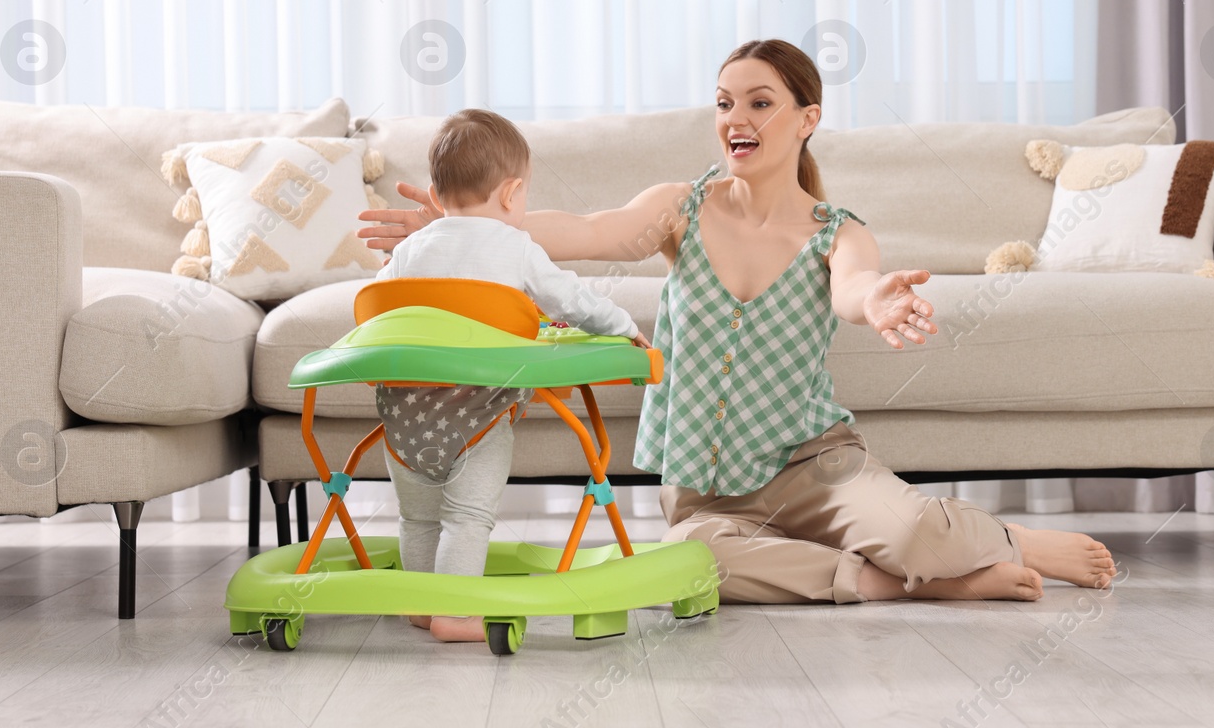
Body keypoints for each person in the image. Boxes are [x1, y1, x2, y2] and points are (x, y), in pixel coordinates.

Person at [361, 43, 1115, 606]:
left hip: (817, 466)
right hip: (706, 495)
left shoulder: (836, 230)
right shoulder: (678, 207)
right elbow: (588, 230)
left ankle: (1014, 542)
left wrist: (878, 298)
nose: (736, 119)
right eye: (724, 103)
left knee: (918, 527)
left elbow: (853, 287)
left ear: (805, 118)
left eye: (758, 102)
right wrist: (468, 224)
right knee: (693, 560)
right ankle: (903, 585)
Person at [373, 108, 647, 641]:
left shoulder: (408, 251)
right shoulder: (516, 248)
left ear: (434, 191)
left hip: (403, 420)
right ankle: (456, 615)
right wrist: (623, 326)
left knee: (420, 519)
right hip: (476, 417)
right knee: (466, 518)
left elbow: (381, 307)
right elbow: (571, 298)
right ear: (511, 193)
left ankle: (420, 604)